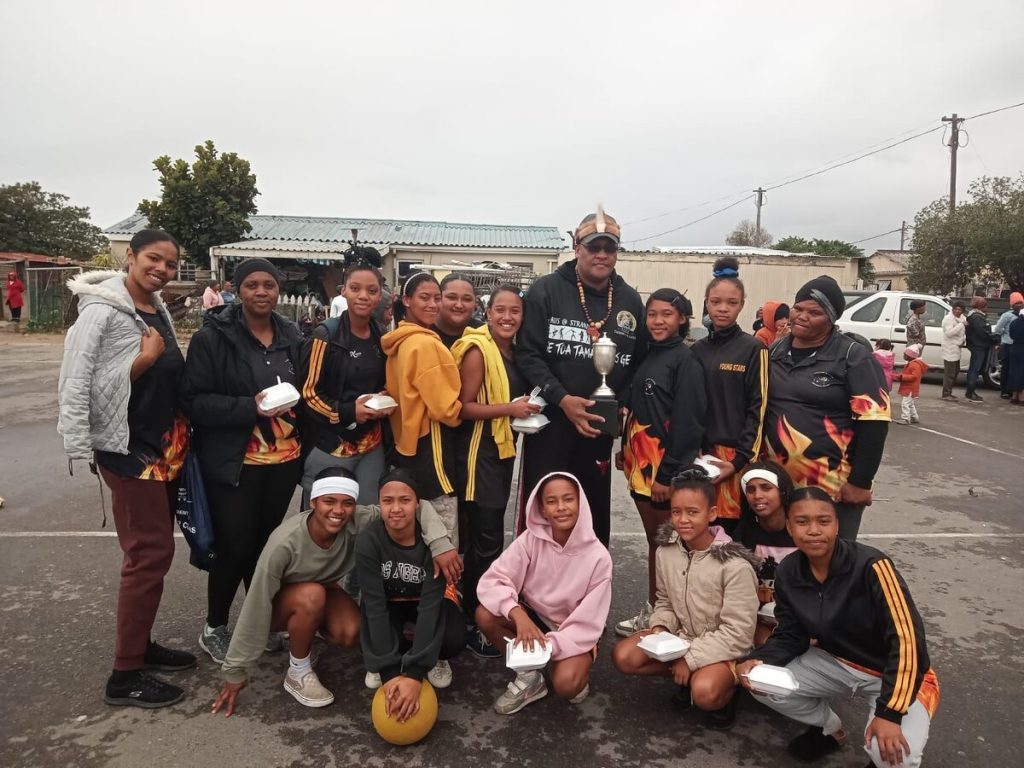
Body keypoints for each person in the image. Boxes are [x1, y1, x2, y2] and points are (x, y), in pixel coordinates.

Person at [58, 229, 194, 708]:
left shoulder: (154, 308)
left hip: (162, 448)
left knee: (152, 556)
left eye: (171, 264)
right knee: (147, 556)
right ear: (130, 256)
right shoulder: (100, 312)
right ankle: (125, 674)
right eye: (153, 259)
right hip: (129, 452)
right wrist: (142, 361)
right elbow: (80, 383)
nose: (162, 269)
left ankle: (141, 645)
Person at [211, 467, 459, 714]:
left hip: (319, 593)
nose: (338, 511)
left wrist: (439, 543)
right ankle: (297, 671)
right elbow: (256, 604)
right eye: (329, 501)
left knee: (354, 631)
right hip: (278, 607)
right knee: (311, 596)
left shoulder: (358, 520)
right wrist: (235, 669)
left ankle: (307, 634)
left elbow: (416, 504)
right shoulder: (284, 543)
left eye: (347, 503)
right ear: (313, 502)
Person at [737, 488, 939, 767]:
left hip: (896, 672)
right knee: (762, 681)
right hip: (836, 661)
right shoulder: (789, 571)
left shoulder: (872, 565)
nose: (813, 530)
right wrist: (758, 660)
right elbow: (791, 634)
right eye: (802, 522)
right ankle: (829, 729)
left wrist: (891, 713)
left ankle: (880, 753)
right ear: (789, 526)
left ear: (837, 524)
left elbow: (908, 642)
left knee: (892, 757)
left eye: (823, 521)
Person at [180, 258, 305, 665]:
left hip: (283, 459)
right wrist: (249, 408)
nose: (262, 292)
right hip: (236, 459)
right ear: (237, 289)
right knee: (235, 544)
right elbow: (194, 402)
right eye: (252, 284)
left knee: (265, 544)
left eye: (269, 284)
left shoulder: (290, 334)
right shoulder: (212, 338)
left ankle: (256, 623)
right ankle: (214, 625)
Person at [515, 209, 645, 546]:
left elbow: (640, 362)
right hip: (551, 426)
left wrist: (622, 404)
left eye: (609, 248)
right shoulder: (546, 291)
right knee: (544, 511)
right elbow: (528, 354)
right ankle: (536, 591)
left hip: (598, 429)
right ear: (577, 247)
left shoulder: (629, 299)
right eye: (594, 247)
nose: (602, 255)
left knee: (592, 512)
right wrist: (562, 398)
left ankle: (589, 590)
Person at [612, 467, 758, 730]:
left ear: (712, 514)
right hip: (682, 638)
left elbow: (738, 634)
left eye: (693, 512)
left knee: (706, 692)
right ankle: (686, 678)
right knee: (625, 656)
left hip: (722, 648)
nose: (683, 520)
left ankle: (727, 685)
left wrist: (689, 659)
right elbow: (664, 600)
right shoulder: (666, 550)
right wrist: (660, 628)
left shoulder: (735, 565)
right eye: (676, 511)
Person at [765, 275, 891, 541]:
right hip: (777, 485)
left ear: (831, 318)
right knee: (777, 564)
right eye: (798, 308)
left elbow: (875, 423)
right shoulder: (776, 350)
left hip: (831, 488)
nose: (801, 316)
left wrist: (860, 482)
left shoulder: (853, 357)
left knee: (831, 567)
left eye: (815, 312)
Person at [450, 285, 539, 657]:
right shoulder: (478, 350)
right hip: (477, 454)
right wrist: (509, 409)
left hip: (502, 451)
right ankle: (473, 621)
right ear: (487, 312)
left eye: (514, 311)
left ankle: (477, 612)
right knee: (482, 542)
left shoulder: (515, 351)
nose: (507, 317)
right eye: (500, 309)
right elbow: (462, 408)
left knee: (487, 538)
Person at [476, 472, 612, 714]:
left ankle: (563, 665)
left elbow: (588, 622)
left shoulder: (599, 557)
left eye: (568, 499)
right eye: (551, 501)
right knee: (485, 615)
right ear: (541, 509)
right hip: (534, 617)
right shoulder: (530, 540)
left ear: (581, 503)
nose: (561, 508)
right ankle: (529, 677)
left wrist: (548, 646)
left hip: (571, 628)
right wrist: (519, 616)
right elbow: (493, 580)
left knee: (567, 685)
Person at [614, 289, 707, 637]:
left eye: (666, 314)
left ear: (682, 319)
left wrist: (667, 475)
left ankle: (670, 619)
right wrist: (624, 447)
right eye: (652, 314)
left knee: (668, 546)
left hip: (662, 473)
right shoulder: (648, 355)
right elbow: (638, 410)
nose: (657, 321)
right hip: (640, 468)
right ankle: (659, 612)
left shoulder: (685, 362)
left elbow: (688, 425)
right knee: (657, 544)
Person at [357, 469, 466, 709]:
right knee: (370, 626)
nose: (396, 508)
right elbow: (374, 606)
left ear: (417, 504)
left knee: (453, 639)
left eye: (404, 500)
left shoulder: (434, 544)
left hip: (425, 601)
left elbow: (429, 607)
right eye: (388, 501)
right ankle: (391, 657)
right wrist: (388, 672)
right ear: (379, 504)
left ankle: (432, 658)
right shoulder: (368, 540)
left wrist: (416, 674)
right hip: (390, 602)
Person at [381, 272, 463, 547]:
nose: (432, 305)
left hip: (407, 441)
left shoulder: (399, 339)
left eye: (437, 298)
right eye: (424, 298)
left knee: (413, 527)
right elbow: (445, 410)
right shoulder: (426, 343)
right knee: (442, 525)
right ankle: (445, 587)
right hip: (432, 443)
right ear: (406, 300)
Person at [299, 259, 389, 507]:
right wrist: (350, 411)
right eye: (355, 288)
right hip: (331, 444)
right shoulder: (325, 335)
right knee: (323, 520)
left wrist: (386, 395)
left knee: (367, 518)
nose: (363, 296)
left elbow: (385, 381)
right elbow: (308, 394)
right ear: (344, 291)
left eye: (372, 291)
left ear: (379, 295)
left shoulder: (382, 335)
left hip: (372, 444)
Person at [691, 257, 769, 535]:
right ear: (706, 303)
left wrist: (738, 462)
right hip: (700, 458)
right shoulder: (696, 351)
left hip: (736, 461)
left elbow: (758, 409)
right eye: (716, 301)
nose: (723, 309)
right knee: (700, 534)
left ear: (742, 304)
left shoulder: (753, 349)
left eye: (731, 303)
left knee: (733, 539)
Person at [733, 460, 797, 646]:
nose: (757, 495)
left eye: (766, 488)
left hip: (799, 614)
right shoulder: (744, 532)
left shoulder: (801, 528)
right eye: (751, 490)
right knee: (766, 645)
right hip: (762, 616)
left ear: (782, 490)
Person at [433, 273, 480, 348]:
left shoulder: (484, 333)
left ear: (476, 303)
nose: (459, 305)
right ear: (438, 298)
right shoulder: (422, 331)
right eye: (452, 297)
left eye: (467, 299)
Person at [993, 292, 1024, 399]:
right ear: (1012, 304)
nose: (1019, 305)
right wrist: (1005, 334)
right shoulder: (1007, 315)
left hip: (1019, 346)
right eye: (1017, 303)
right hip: (1007, 345)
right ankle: (1004, 390)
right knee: (1006, 369)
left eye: (1021, 303)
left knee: (1015, 370)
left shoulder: (1022, 316)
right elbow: (997, 329)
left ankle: (1013, 391)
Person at [964, 297, 994, 402]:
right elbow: (982, 332)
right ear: (982, 306)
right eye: (986, 305)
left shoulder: (974, 315)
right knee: (974, 370)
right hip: (978, 346)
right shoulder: (977, 317)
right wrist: (993, 338)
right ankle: (970, 392)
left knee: (974, 369)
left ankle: (971, 392)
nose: (987, 307)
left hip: (977, 345)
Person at [893, 344, 927, 425]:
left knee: (905, 403)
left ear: (910, 356)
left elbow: (914, 376)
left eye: (905, 354)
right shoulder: (912, 363)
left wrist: (902, 377)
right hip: (910, 387)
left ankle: (905, 418)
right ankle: (914, 417)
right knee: (910, 403)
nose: (903, 355)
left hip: (910, 388)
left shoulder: (914, 365)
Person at [940, 301, 967, 400]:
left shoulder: (962, 318)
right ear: (953, 309)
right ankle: (946, 393)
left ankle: (949, 391)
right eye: (956, 309)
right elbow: (949, 333)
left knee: (956, 371)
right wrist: (961, 325)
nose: (957, 311)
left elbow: (963, 333)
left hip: (957, 347)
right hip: (949, 348)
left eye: (960, 309)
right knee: (950, 373)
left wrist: (963, 341)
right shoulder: (948, 319)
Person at [1009, 308, 1024, 405]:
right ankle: (1022, 398)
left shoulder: (1014, 322)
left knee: (1014, 372)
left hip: (1015, 348)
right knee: (1022, 373)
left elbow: (1011, 336)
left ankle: (1014, 396)